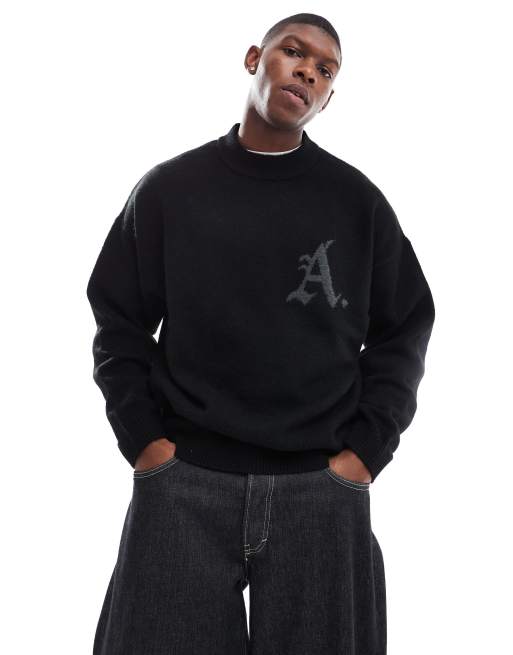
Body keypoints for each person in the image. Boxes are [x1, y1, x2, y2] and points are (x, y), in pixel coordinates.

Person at [86, 12, 435, 655]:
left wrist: (365, 451)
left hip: (321, 491)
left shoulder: (357, 203)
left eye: (325, 69)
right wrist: (143, 441)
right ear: (255, 59)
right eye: (293, 52)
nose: (307, 71)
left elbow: (406, 326)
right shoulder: (171, 190)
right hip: (184, 482)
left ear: (329, 97)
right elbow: (118, 319)